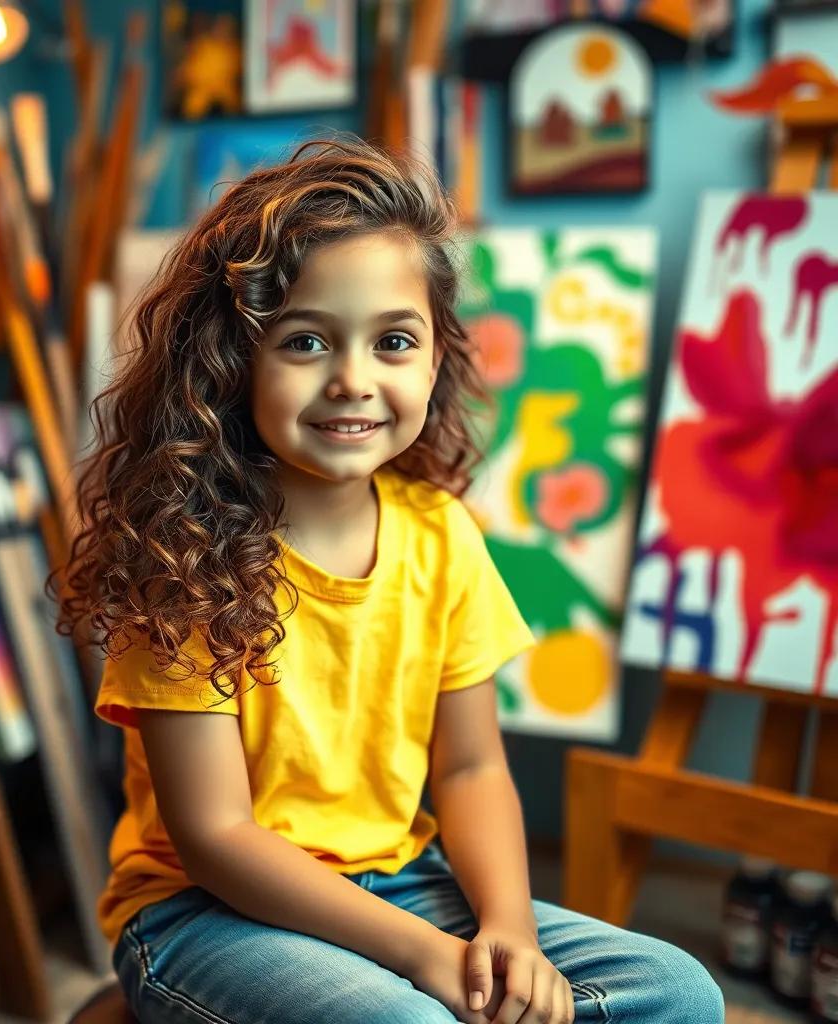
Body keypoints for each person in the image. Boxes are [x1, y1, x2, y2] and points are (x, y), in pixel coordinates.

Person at [56, 135, 726, 1024]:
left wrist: (509, 933)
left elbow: (474, 764)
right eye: (305, 341)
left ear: (435, 358)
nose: (354, 381)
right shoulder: (188, 555)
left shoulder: (441, 535)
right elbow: (216, 838)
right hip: (201, 916)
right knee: (415, 1021)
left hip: (404, 883)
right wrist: (427, 960)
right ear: (231, 361)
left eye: (394, 341)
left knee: (679, 992)